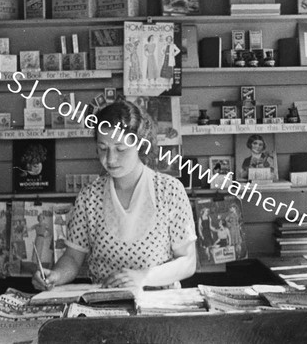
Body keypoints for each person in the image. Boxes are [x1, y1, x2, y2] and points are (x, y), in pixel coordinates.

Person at [32, 101, 196, 291]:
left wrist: (144, 277)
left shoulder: (170, 191)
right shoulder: (89, 196)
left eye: (121, 149)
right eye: (103, 148)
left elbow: (188, 261)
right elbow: (72, 258)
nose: (110, 159)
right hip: (105, 305)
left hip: (158, 306)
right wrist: (55, 276)